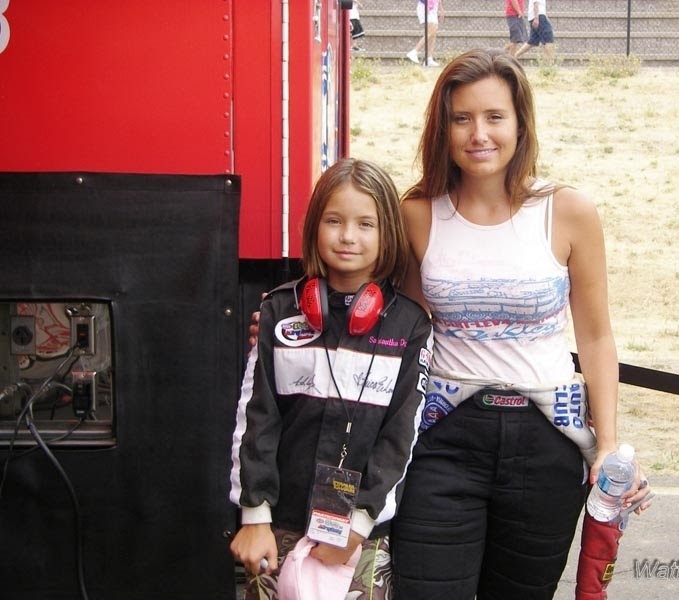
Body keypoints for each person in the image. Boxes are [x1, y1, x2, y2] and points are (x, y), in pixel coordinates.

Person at [389, 49, 652, 599]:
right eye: (461, 118)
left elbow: (597, 337)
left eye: (494, 117)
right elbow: (398, 332)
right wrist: (286, 328)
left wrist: (607, 445)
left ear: (520, 123)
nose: (478, 134)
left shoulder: (569, 210)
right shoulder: (416, 212)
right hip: (443, 440)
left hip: (547, 442)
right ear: (443, 127)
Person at [229, 158, 433, 599]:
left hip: (360, 537)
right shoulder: (278, 313)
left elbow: (401, 436)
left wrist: (360, 523)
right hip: (274, 526)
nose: (347, 236)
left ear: (388, 235)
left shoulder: (410, 326)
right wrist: (254, 515)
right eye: (334, 220)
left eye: (366, 224)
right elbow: (255, 417)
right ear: (314, 226)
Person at [406, 0, 443, 67]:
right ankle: (414, 51)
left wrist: (441, 9)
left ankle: (429, 59)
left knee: (433, 34)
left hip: (434, 7)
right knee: (430, 32)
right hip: (426, 6)